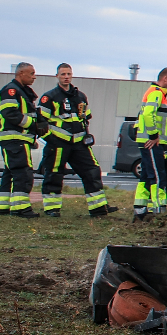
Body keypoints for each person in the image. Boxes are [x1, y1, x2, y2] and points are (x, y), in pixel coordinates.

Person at [39, 63, 114, 218]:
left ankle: (99, 208)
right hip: (58, 143)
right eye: (63, 74)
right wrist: (51, 140)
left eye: (68, 74)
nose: (66, 77)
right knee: (54, 174)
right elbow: (40, 123)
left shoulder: (80, 96)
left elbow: (86, 117)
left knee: (92, 171)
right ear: (57, 76)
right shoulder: (50, 97)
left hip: (79, 143)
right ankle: (52, 209)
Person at [0, 62, 45, 217]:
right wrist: (33, 126)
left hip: (19, 139)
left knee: (10, 173)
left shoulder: (21, 92)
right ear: (21, 73)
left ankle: (2, 207)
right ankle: (21, 208)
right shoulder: (10, 91)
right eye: (31, 73)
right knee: (23, 173)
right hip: (15, 139)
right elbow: (10, 113)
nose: (34, 77)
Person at [134, 67, 167, 217]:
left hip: (148, 141)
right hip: (151, 142)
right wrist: (154, 136)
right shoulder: (156, 93)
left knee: (146, 175)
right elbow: (148, 114)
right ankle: (159, 208)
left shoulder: (157, 94)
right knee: (158, 175)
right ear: (165, 78)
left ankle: (140, 208)